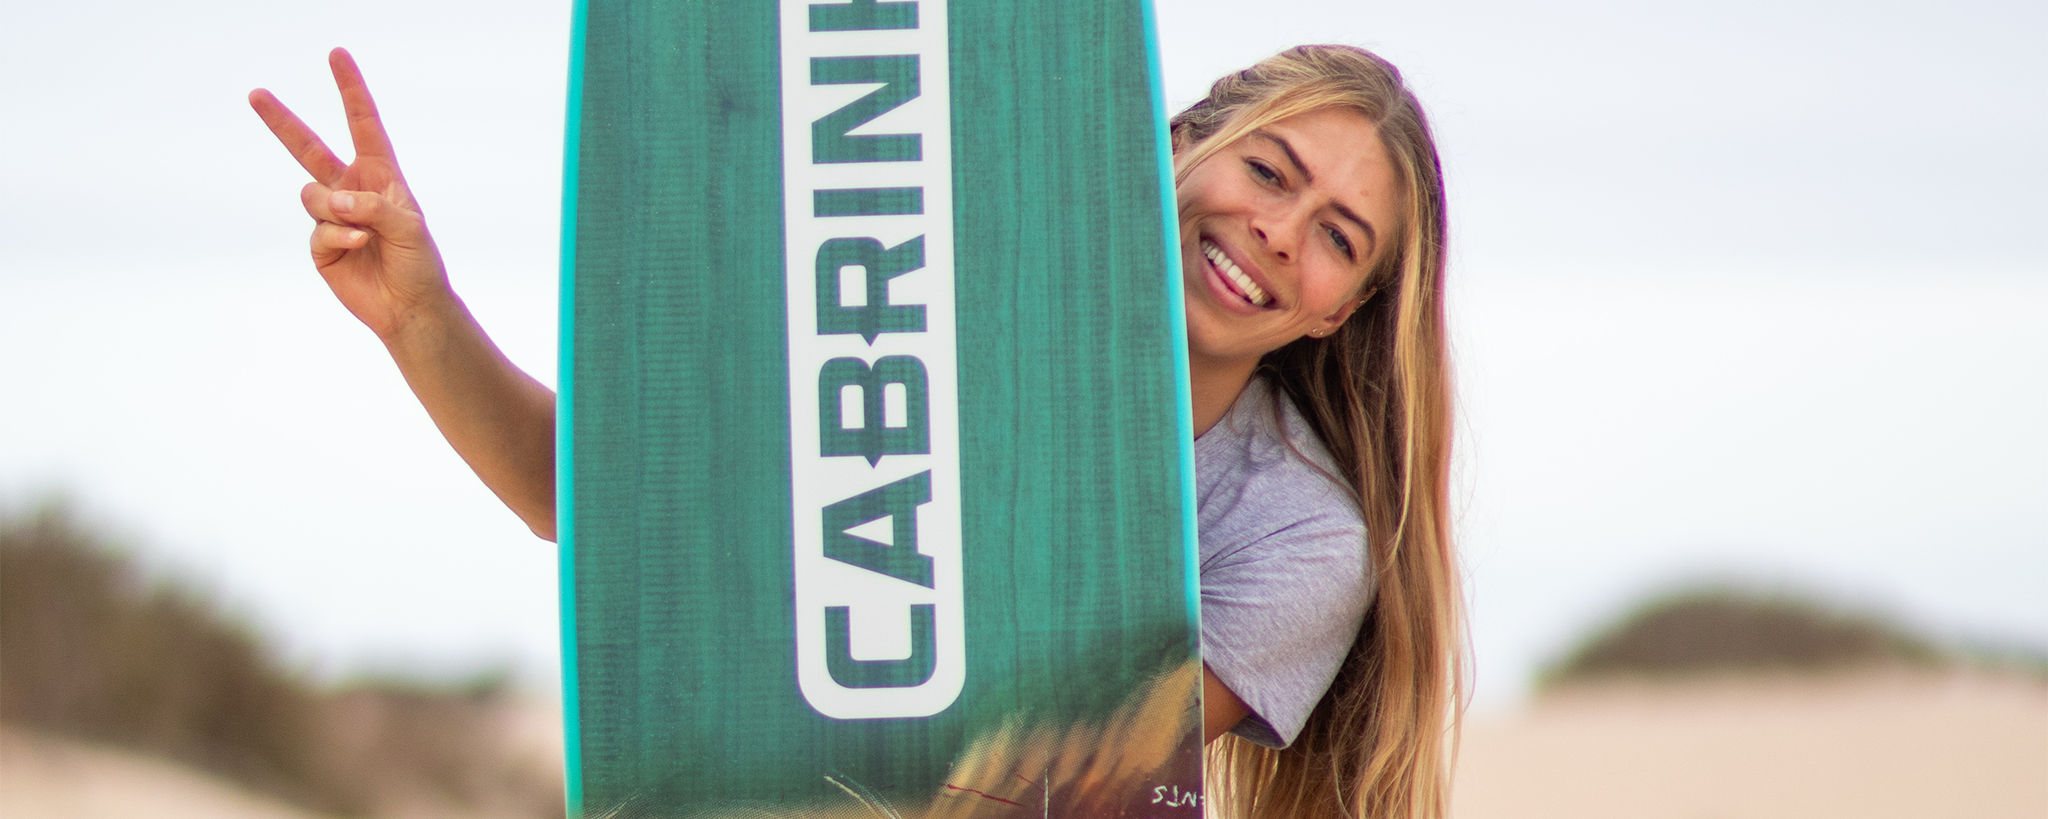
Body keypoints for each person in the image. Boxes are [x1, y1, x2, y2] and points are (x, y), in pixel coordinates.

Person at [251, 43, 1462, 819]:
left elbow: (1053, 778)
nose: (1277, 233)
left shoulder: (1299, 533)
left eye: (1336, 238)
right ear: (1177, 142)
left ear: (1339, 310)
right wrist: (419, 316)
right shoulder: (919, 310)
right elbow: (599, 506)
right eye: (1269, 172)